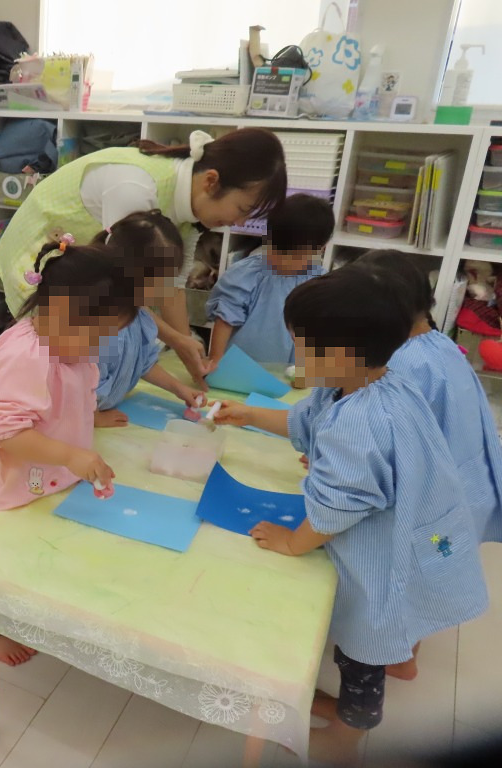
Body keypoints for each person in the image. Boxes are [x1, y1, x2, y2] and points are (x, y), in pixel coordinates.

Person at [212, 268, 489, 766]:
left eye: (302, 346)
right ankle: (347, 705)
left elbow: (335, 509)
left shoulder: (360, 421)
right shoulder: (367, 384)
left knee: (362, 654)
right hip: (413, 532)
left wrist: (291, 542)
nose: (296, 355)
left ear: (340, 355)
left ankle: (347, 736)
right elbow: (306, 421)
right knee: (369, 642)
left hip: (387, 556)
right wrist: (249, 415)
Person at [0, 238, 138, 665]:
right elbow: (9, 434)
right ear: (57, 314)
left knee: (28, 561)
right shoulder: (26, 356)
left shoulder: (69, 346)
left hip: (38, 481)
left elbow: (68, 398)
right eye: (96, 336)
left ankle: (20, 611)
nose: (99, 348)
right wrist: (73, 456)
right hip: (0, 488)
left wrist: (90, 420)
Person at [0, 128, 287, 387]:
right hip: (41, 254)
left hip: (87, 266)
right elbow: (127, 287)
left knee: (74, 358)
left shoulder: (189, 213)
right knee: (47, 357)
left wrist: (186, 346)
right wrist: (176, 339)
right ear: (211, 181)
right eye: (243, 210)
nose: (238, 223)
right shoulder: (135, 189)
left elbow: (170, 287)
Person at [353, 250, 502, 681]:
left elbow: (391, 441)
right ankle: (405, 648)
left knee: (403, 568)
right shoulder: (437, 343)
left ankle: (394, 657)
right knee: (427, 565)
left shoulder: (402, 363)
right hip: (469, 490)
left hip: (436, 501)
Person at [89, 210, 205, 427]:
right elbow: (82, 383)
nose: (165, 290)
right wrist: (95, 417)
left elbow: (142, 363)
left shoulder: (139, 315)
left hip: (107, 409)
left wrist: (178, 388)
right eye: (160, 282)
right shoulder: (100, 324)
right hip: (82, 417)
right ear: (129, 273)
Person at [206, 193, 334, 366]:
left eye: (295, 256)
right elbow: (225, 317)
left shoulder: (320, 285)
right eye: (276, 250)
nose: (283, 261)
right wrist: (215, 360)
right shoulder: (247, 274)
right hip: (240, 367)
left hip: (292, 371)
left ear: (320, 249)